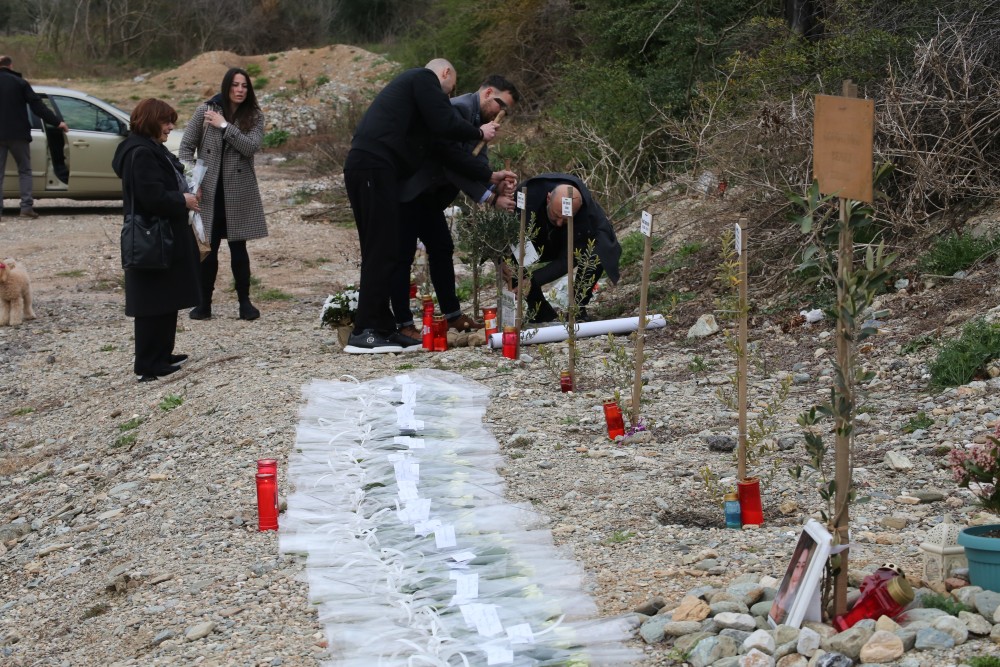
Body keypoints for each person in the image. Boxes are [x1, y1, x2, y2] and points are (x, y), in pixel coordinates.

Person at [342, 58, 503, 354]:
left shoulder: (417, 111)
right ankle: (364, 331)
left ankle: (383, 327)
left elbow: (445, 151)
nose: (447, 98)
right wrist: (479, 133)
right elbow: (446, 121)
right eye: (449, 90)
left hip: (377, 169)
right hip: (372, 166)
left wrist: (488, 176)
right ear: (444, 73)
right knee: (381, 249)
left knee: (386, 248)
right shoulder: (422, 79)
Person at [393, 75, 521, 340]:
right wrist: (489, 197)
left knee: (442, 247)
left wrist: (497, 185)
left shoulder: (480, 119)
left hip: (429, 197)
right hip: (411, 191)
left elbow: (477, 162)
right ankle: (403, 324)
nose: (501, 114)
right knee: (402, 256)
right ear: (487, 93)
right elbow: (452, 163)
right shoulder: (459, 109)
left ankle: (452, 316)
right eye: (501, 105)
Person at [111, 98, 201, 382]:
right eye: (166, 122)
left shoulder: (149, 148)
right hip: (153, 236)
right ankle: (149, 362)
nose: (170, 127)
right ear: (150, 120)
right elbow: (151, 197)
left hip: (165, 235)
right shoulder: (141, 152)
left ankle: (162, 353)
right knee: (152, 302)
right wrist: (182, 199)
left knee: (166, 296)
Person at [179, 67, 267, 321]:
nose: (240, 90)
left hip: (239, 190)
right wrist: (192, 180)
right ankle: (203, 303)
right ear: (226, 86)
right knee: (210, 248)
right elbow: (185, 148)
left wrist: (225, 126)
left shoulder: (255, 116)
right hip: (209, 190)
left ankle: (245, 303)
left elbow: (250, 147)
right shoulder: (205, 111)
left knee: (239, 248)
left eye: (245, 86)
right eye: (235, 85)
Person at [513, 173, 621, 323]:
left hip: (570, 241)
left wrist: (533, 280)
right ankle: (540, 310)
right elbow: (509, 237)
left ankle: (577, 308)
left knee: (596, 254)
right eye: (556, 215)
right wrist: (515, 274)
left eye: (565, 219)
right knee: (507, 258)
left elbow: (567, 260)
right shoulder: (529, 195)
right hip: (538, 236)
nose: (558, 222)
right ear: (548, 198)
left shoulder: (587, 216)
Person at [0, 55, 69, 219]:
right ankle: (26, 208)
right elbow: (37, 106)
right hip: (18, 135)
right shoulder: (20, 83)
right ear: (11, 66)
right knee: (24, 170)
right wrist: (57, 122)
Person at [770, 541, 813, 625]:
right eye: (797, 566)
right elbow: (773, 619)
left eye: (803, 566)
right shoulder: (782, 593)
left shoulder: (802, 598)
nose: (799, 573)